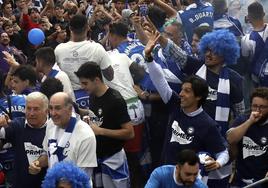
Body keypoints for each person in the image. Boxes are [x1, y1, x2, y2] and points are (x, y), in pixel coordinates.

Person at [144, 34, 230, 187]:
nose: (181, 94)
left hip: (188, 182)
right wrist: (149, 57)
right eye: (182, 90)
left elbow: (223, 151)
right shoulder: (175, 104)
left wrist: (218, 163)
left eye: (187, 91)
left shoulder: (207, 124)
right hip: (167, 176)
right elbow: (160, 81)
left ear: (198, 97)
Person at [75, 62, 134, 188]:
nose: (82, 86)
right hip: (98, 158)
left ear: (96, 80)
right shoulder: (93, 96)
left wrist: (101, 131)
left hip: (114, 159)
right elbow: (97, 115)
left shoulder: (115, 100)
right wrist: (78, 110)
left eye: (85, 83)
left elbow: (129, 133)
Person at [29, 92, 97, 178]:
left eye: (58, 108)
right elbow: (48, 154)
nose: (53, 113)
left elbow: (83, 177)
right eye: (51, 108)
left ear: (69, 109)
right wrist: (37, 163)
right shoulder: (51, 124)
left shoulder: (85, 135)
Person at [55, 14, 113, 108]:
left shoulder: (59, 50)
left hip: (70, 100)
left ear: (70, 28)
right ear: (87, 27)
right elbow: (110, 76)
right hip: (95, 96)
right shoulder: (97, 48)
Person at [0, 92, 48, 188]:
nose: (31, 113)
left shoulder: (54, 128)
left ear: (46, 111)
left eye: (36, 109)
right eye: (28, 108)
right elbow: (4, 134)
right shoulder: (17, 125)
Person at [227, 87, 268, 187]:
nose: (257, 111)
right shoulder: (242, 120)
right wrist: (250, 122)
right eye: (255, 106)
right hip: (240, 180)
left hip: (262, 181)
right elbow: (230, 139)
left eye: (262, 107)